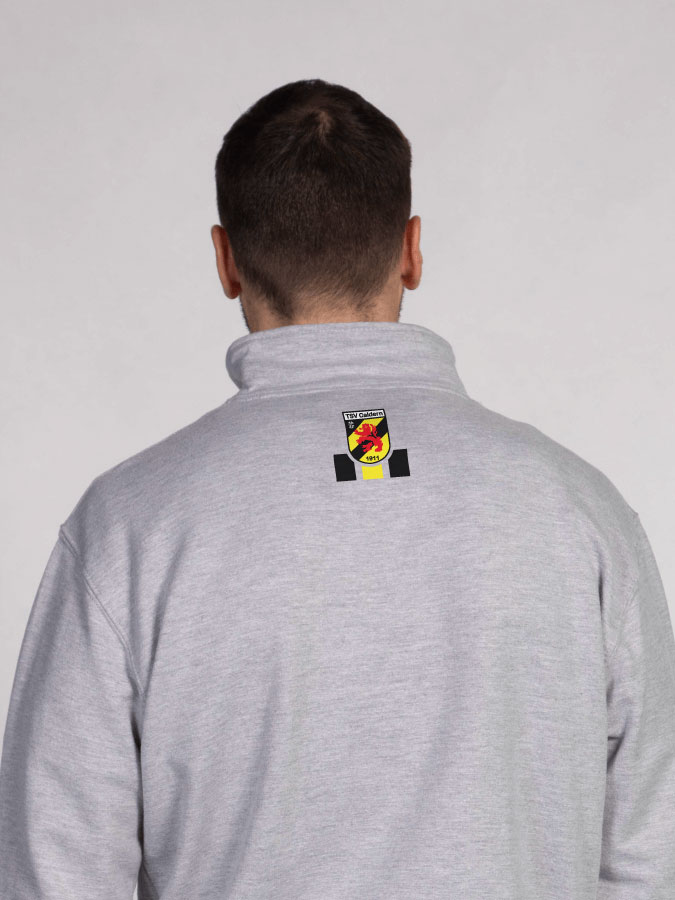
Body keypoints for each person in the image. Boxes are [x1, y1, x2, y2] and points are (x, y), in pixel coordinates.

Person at [0, 78, 674, 900]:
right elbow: (649, 857)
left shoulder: (129, 527)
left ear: (225, 260)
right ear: (412, 250)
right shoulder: (581, 512)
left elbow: (57, 873)